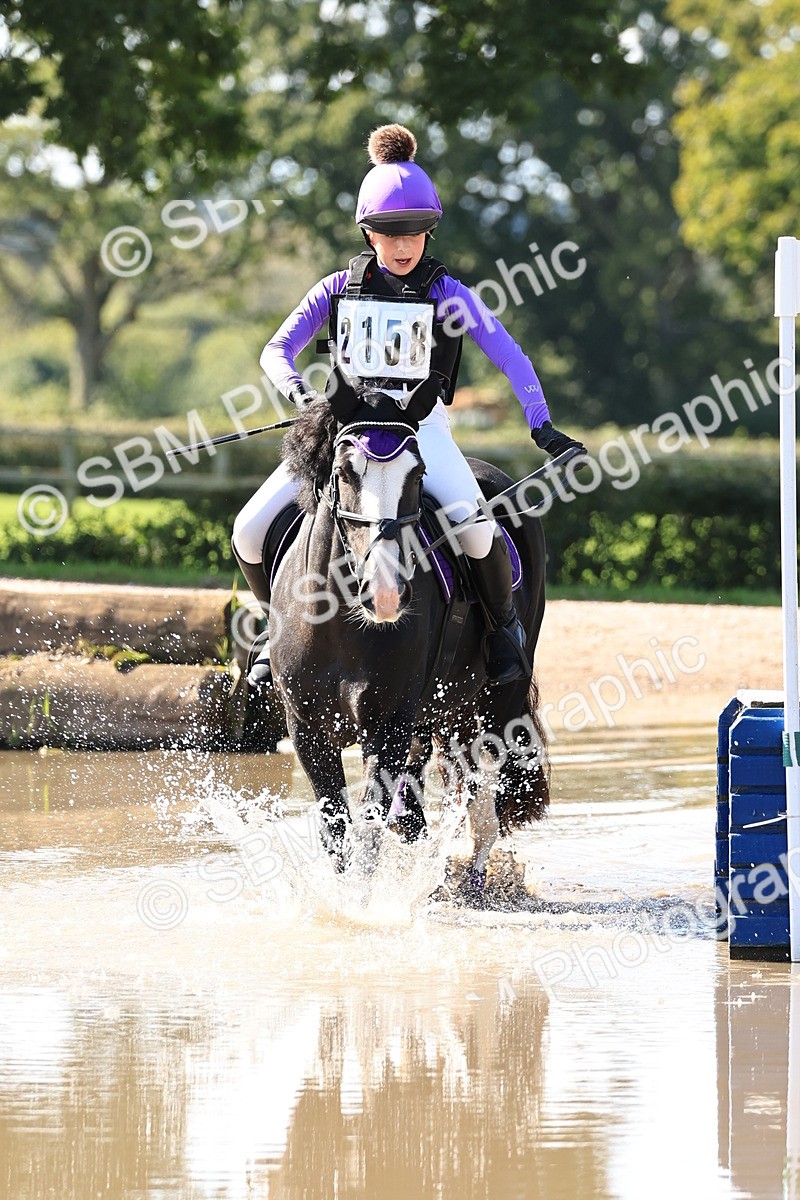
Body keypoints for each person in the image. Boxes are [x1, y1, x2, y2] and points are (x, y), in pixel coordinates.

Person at [233, 123, 585, 688]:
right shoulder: (336, 287)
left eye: (415, 234)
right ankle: (273, 630)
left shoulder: (447, 293)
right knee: (248, 530)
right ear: (369, 233)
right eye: (391, 234)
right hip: (346, 430)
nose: (403, 246)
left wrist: (541, 425)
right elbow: (276, 350)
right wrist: (301, 395)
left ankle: (503, 632)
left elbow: (510, 356)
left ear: (429, 233)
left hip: (421, 429)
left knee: (477, 531)